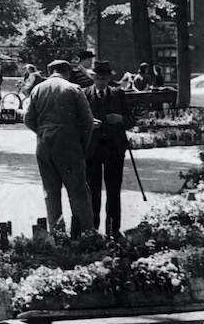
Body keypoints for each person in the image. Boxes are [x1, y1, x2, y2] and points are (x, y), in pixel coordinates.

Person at [24, 59, 95, 236]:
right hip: (68, 144)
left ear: (50, 72)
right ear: (68, 72)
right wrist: (82, 145)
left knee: (51, 191)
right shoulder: (73, 88)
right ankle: (85, 235)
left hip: (43, 145)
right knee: (77, 190)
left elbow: (28, 119)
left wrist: (43, 132)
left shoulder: (37, 89)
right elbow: (88, 122)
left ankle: (56, 235)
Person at [83, 60, 134, 236]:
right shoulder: (84, 94)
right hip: (93, 150)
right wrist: (89, 124)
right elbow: (77, 122)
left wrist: (120, 118)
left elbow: (131, 120)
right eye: (98, 78)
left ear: (109, 78)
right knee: (93, 191)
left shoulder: (118, 94)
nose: (101, 82)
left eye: (104, 78)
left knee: (113, 191)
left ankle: (113, 229)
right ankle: (93, 229)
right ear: (93, 78)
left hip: (114, 149)